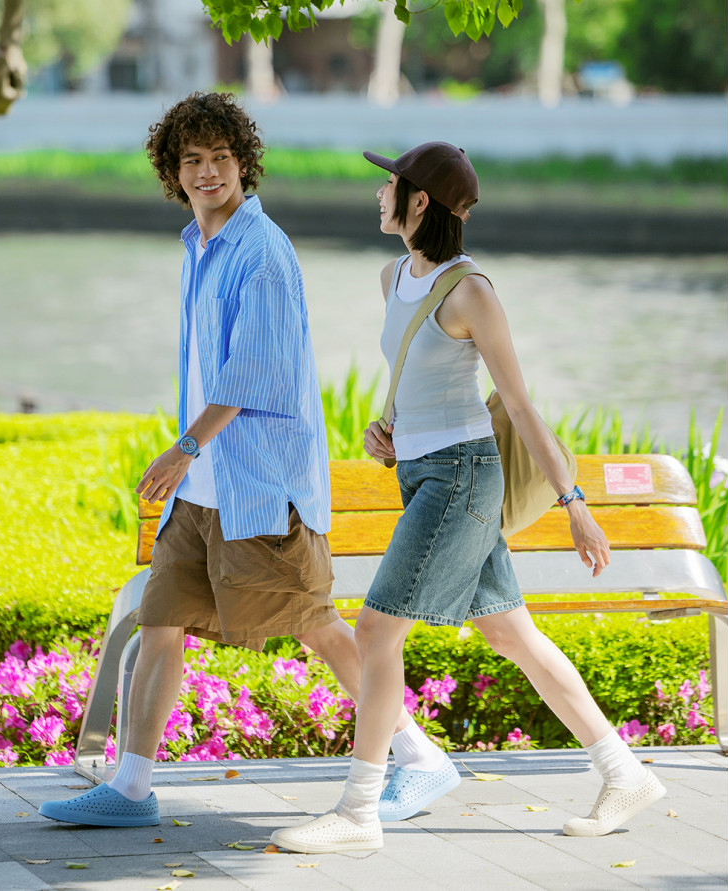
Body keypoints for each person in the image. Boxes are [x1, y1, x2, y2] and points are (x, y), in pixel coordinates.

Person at [39, 94, 445, 828]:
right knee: (160, 619)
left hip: (259, 487)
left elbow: (251, 369)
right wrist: (190, 459)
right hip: (204, 491)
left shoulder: (261, 250)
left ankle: (417, 754)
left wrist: (184, 444)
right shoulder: (197, 241)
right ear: (173, 170)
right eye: (191, 160)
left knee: (315, 625)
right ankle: (132, 786)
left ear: (243, 164)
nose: (206, 172)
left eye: (220, 158)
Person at [270, 142, 667, 854]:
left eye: (389, 183)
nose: (379, 192)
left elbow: (517, 401)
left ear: (420, 201)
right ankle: (624, 770)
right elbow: (418, 382)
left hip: (462, 479)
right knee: (511, 632)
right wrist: (384, 429)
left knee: (375, 631)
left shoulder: (471, 292)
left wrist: (575, 501)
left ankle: (359, 809)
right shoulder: (392, 276)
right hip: (422, 473)